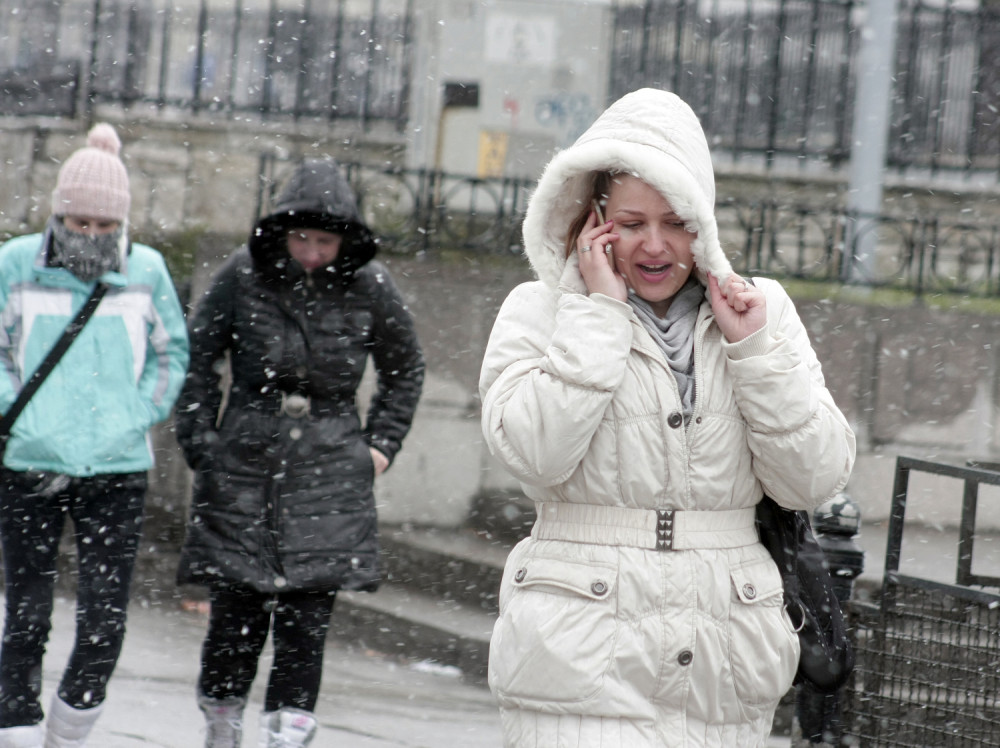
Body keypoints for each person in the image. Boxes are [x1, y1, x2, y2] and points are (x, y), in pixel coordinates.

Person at [478, 88, 856, 747]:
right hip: (581, 660)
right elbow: (534, 457)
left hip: (721, 668)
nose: (655, 245)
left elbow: (813, 480)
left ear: (703, 223)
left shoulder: (759, 310)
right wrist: (596, 315)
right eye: (631, 222)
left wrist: (754, 350)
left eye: (676, 221)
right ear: (594, 218)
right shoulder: (538, 311)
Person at [175, 158, 424, 748]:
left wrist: (379, 448)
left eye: (326, 240)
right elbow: (198, 356)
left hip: (331, 468)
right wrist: (202, 442)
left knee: (306, 623)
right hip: (243, 459)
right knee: (234, 616)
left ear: (345, 240)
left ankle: (288, 734)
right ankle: (222, 725)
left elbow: (405, 366)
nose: (313, 252)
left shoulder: (371, 286)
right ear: (283, 232)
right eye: (302, 238)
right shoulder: (243, 275)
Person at [0, 123, 190, 747]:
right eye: (80, 223)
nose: (91, 237)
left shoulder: (147, 272)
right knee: (26, 615)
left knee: (105, 622)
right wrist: (19, 411)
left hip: (116, 469)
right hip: (29, 462)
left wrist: (135, 415)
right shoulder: (15, 265)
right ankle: (19, 727)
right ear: (58, 213)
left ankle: (69, 732)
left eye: (105, 227)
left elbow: (171, 354)